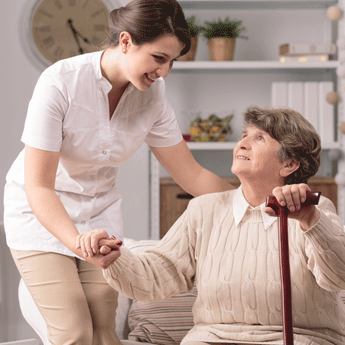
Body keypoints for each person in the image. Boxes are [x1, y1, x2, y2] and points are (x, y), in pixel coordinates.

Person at [3, 0, 233, 344]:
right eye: (158, 58)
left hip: (99, 213)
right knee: (75, 330)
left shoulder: (153, 97)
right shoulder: (60, 82)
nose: (165, 72)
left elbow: (192, 175)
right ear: (125, 41)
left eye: (172, 61)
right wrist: (77, 242)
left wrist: (255, 202)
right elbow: (39, 186)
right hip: (41, 213)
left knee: (104, 328)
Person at [78, 106, 345, 345]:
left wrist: (310, 221)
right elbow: (157, 275)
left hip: (299, 338)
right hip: (212, 338)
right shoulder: (203, 210)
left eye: (259, 138)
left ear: (289, 163)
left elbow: (339, 276)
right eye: (244, 136)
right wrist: (114, 258)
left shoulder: (315, 211)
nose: (242, 144)